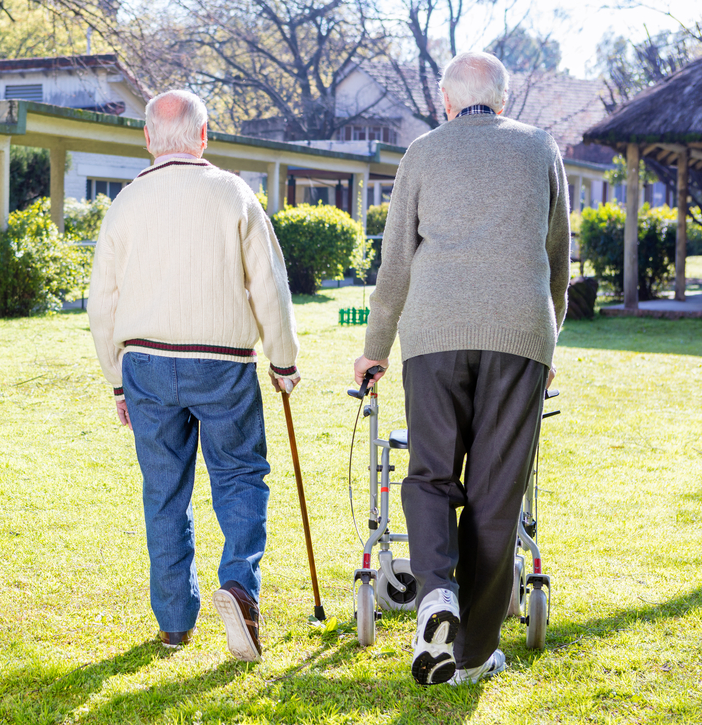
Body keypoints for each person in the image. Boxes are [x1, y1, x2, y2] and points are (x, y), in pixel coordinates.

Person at [353, 51, 570, 685]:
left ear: (448, 102)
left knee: (428, 475)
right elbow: (557, 259)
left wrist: (376, 348)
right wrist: (547, 344)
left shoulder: (421, 151)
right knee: (496, 495)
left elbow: (394, 267)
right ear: (503, 100)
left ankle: (436, 596)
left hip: (434, 333)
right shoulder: (540, 148)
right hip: (520, 333)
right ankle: (473, 654)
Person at [87, 89, 301, 662]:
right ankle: (238, 587)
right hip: (223, 362)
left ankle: (176, 624)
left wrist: (116, 378)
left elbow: (101, 302)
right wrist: (283, 361)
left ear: (149, 140)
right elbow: (270, 288)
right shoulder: (233, 192)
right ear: (203, 137)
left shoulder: (126, 202)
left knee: (164, 492)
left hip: (146, 363)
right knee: (239, 475)